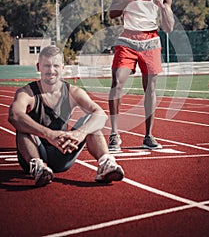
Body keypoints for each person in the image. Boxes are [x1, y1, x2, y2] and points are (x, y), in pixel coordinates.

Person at [8, 45, 124, 187]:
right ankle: (38, 167)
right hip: (35, 151)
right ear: (38, 67)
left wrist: (79, 133)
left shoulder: (72, 92)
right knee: (23, 126)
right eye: (46, 66)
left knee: (91, 122)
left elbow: (101, 114)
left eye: (55, 66)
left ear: (62, 68)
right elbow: (14, 115)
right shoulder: (27, 93)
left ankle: (106, 163)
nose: (51, 70)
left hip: (62, 151)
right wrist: (49, 134)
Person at [108, 0, 174, 151]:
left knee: (151, 90)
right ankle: (114, 135)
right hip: (128, 37)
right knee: (117, 82)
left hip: (150, 40)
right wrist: (129, 0)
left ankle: (148, 136)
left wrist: (161, 6)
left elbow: (169, 27)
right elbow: (112, 13)